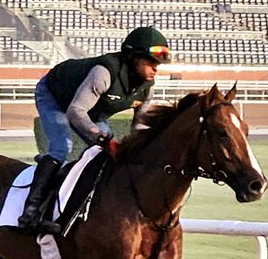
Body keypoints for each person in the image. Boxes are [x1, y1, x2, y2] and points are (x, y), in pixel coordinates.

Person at [17, 25, 170, 234]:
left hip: (89, 109)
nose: (156, 69)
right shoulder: (104, 73)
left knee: (105, 155)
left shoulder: (147, 87)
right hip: (56, 96)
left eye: (158, 64)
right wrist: (99, 136)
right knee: (62, 146)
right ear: (133, 57)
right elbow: (75, 111)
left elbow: (140, 127)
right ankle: (30, 214)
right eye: (150, 62)